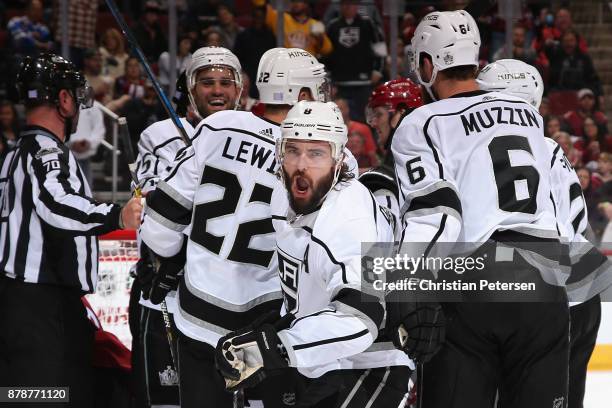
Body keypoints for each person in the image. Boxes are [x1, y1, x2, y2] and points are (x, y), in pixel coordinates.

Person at [139, 47, 340, 408]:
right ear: (303, 95)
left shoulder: (218, 126)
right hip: (264, 328)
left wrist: (173, 259)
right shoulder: (318, 153)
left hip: (198, 314)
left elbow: (159, 226)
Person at [389, 11, 569, 408]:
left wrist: (405, 287)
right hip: (546, 282)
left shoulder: (423, 121)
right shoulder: (526, 115)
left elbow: (434, 211)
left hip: (475, 281)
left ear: (428, 63)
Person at [215, 100, 412, 407]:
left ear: (338, 160)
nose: (302, 164)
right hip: (323, 357)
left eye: (316, 153)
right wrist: (276, 326)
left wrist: (275, 347)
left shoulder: (346, 217)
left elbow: (361, 316)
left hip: (373, 360)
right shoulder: (287, 192)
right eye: (293, 151)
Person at [0, 53, 142, 408]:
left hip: (29, 302)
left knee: (29, 394)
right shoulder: (46, 151)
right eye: (75, 98)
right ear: (64, 100)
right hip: (39, 304)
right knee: (41, 398)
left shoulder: (15, 152)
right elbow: (55, 203)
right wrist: (118, 216)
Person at [478, 57, 612, 408]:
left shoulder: (488, 147)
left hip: (541, 292)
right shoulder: (549, 146)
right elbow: (574, 222)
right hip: (584, 285)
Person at [132, 47, 244, 408]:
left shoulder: (255, 137)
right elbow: (150, 205)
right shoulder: (159, 135)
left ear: (239, 89)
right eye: (207, 82)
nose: (217, 91)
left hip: (232, 296)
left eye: (226, 82)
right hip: (165, 292)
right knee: (168, 401)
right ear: (190, 89)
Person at [360, 77, 423, 235]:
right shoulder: (425, 148)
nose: (373, 123)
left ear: (400, 113)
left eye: (379, 115)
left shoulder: (405, 157)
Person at [326, 0, 386, 123]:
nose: (348, 6)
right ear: (340, 6)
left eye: (351, 3)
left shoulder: (368, 23)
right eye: (345, 4)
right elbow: (326, 54)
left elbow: (380, 47)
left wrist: (378, 70)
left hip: (363, 83)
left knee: (364, 120)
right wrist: (328, 80)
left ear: (357, 6)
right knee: (339, 120)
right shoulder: (332, 26)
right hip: (340, 83)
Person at [254, 0, 333, 58]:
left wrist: (320, 38)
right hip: (286, 64)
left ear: (306, 4)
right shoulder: (280, 18)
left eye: (298, 1)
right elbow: (259, 3)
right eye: (292, 1)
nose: (294, 4)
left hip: (308, 66)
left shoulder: (315, 24)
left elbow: (327, 50)